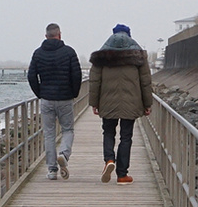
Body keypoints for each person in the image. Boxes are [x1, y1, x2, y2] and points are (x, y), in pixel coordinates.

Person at [87, 24, 152, 184]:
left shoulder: (101, 57)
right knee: (126, 137)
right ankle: (122, 175)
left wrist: (94, 103)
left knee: (108, 133)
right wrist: (147, 103)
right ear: (129, 35)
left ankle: (109, 160)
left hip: (107, 102)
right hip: (131, 102)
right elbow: (145, 82)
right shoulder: (138, 57)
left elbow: (94, 81)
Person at [26, 22, 82, 180]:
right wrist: (74, 92)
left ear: (46, 36)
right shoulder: (69, 52)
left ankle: (52, 170)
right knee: (68, 130)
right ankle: (63, 154)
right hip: (65, 98)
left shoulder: (38, 53)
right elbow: (76, 75)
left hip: (47, 99)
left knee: (49, 134)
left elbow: (31, 76)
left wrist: (40, 93)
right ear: (59, 35)